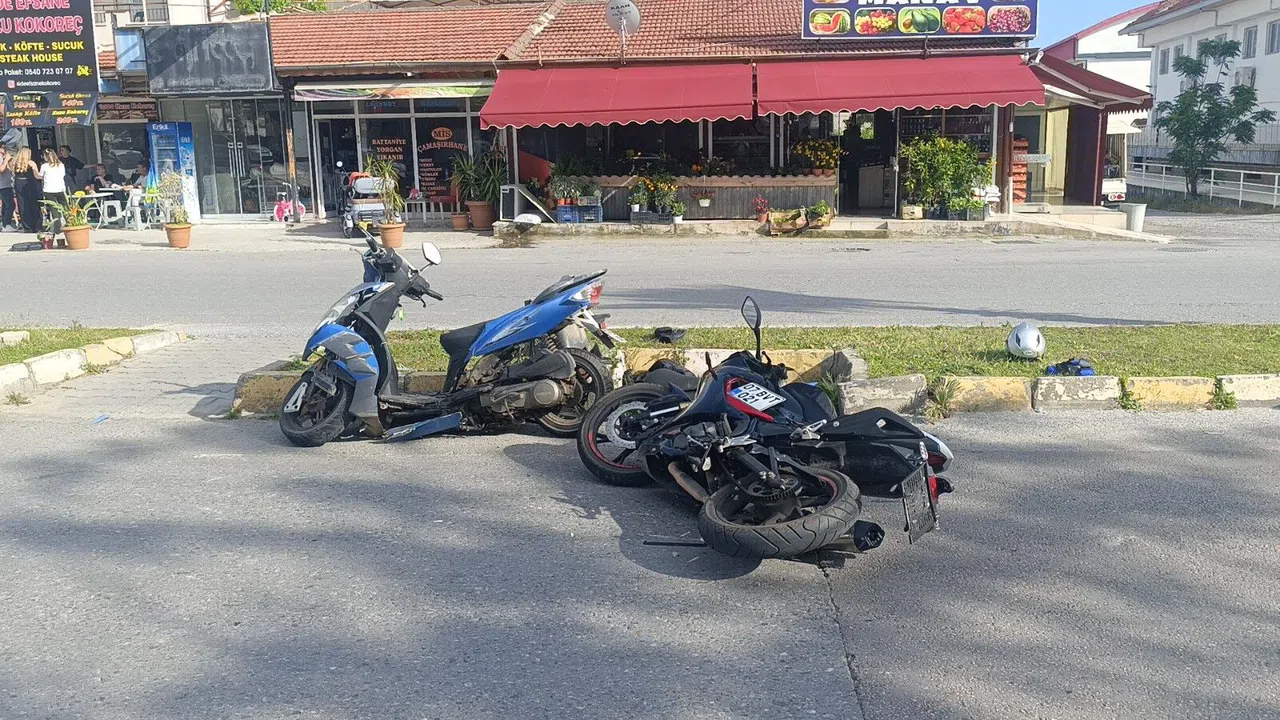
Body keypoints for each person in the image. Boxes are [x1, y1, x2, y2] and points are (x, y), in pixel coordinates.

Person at [33, 148, 67, 232]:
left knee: (54, 209)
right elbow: (63, 175)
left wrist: (34, 169)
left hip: (49, 190)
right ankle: (70, 223)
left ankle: (58, 229)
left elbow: (39, 176)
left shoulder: (44, 166)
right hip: (60, 188)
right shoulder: (61, 164)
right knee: (65, 207)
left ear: (46, 156)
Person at [12, 147, 41, 233]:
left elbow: (13, 173)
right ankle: (37, 226)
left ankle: (27, 226)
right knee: (33, 203)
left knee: (22, 204)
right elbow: (36, 175)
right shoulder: (31, 163)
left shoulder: (14, 162)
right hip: (29, 182)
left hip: (18, 182)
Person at [0, 146, 15, 232]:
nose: (4, 150)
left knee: (6, 205)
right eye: (2, 148)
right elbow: (1, 169)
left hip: (7, 184)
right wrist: (6, 160)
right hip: (3, 185)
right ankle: (7, 224)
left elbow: (9, 170)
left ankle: (4, 223)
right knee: (11, 204)